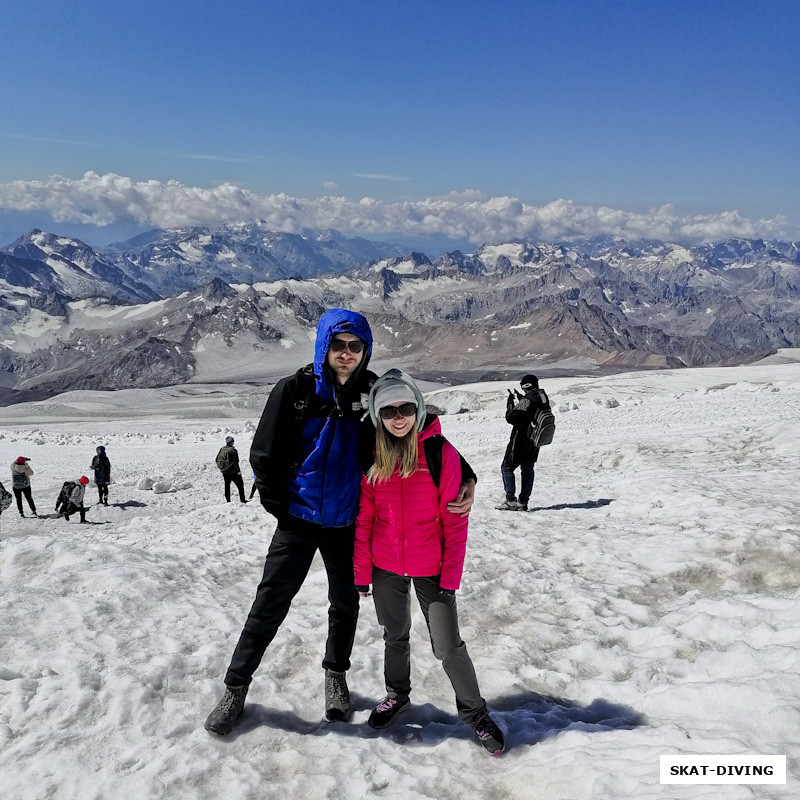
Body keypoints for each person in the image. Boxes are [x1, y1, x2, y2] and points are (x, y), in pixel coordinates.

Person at [204, 309, 476, 736]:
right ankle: (235, 688)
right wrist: (282, 508)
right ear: (324, 347)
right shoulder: (294, 391)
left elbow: (422, 434)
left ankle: (336, 676)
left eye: (355, 346)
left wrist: (468, 475)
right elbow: (263, 454)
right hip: (298, 520)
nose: (346, 354)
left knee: (345, 605)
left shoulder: (372, 394)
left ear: (365, 351)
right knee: (269, 605)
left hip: (346, 522)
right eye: (338, 345)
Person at [354, 369, 505, 756]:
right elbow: (365, 519)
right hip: (386, 565)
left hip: (432, 568)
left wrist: (450, 577)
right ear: (377, 415)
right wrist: (361, 572)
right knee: (395, 636)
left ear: (419, 408)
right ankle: (397, 695)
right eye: (389, 411)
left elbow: (456, 522)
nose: (398, 416)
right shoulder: (371, 454)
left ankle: (475, 713)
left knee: (448, 645)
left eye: (406, 407)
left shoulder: (440, 453)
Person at [498, 374, 550, 511]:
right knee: (527, 470)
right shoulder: (542, 396)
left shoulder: (528, 399)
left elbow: (512, 418)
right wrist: (522, 399)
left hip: (521, 439)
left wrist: (510, 404)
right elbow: (531, 409)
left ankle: (510, 500)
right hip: (534, 440)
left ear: (526, 386)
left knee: (507, 467)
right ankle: (523, 502)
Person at [216, 436, 247, 504]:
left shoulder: (222, 449)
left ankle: (228, 501)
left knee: (227, 486)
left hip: (225, 471)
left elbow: (216, 460)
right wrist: (238, 471)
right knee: (240, 485)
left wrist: (222, 468)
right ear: (232, 442)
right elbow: (236, 463)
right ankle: (243, 500)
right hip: (233, 472)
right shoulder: (233, 451)